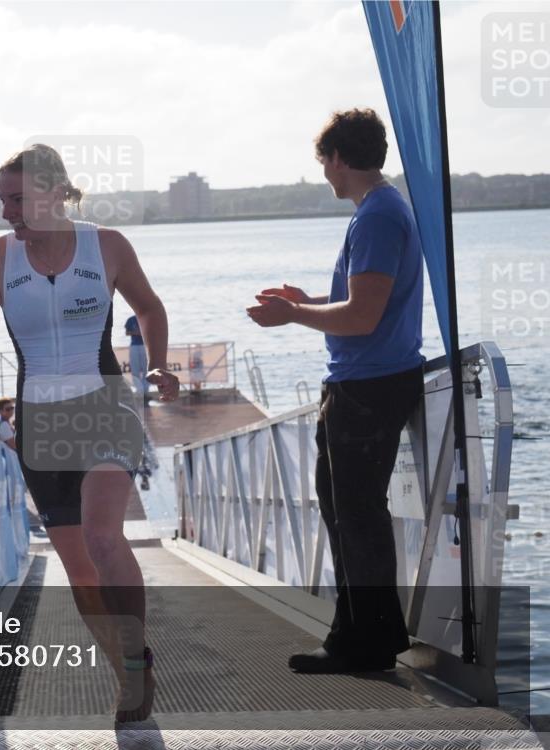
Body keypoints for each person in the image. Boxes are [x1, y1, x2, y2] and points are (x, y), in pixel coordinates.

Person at [0, 143, 179, 722]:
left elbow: (150, 309)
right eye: (2, 200)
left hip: (105, 407)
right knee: (80, 572)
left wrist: (156, 365)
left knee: (104, 537)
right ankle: (129, 672)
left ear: (55, 194)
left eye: (18, 199)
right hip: (41, 425)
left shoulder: (106, 246)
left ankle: (134, 662)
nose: (7, 212)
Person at [246, 108, 424, 674]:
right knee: (348, 510)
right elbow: (365, 305)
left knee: (356, 514)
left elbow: (365, 317)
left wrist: (292, 314)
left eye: (324, 160)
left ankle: (365, 643)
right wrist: (309, 300)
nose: (324, 171)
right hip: (372, 382)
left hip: (367, 387)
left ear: (340, 158)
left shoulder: (375, 216)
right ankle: (361, 635)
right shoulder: (384, 209)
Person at [125, 314, 149, 403]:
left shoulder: (146, 317)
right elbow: (127, 332)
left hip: (145, 345)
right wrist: (137, 332)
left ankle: (145, 392)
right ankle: (139, 392)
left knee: (146, 370)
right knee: (135, 370)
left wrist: (142, 332)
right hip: (134, 346)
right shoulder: (131, 319)